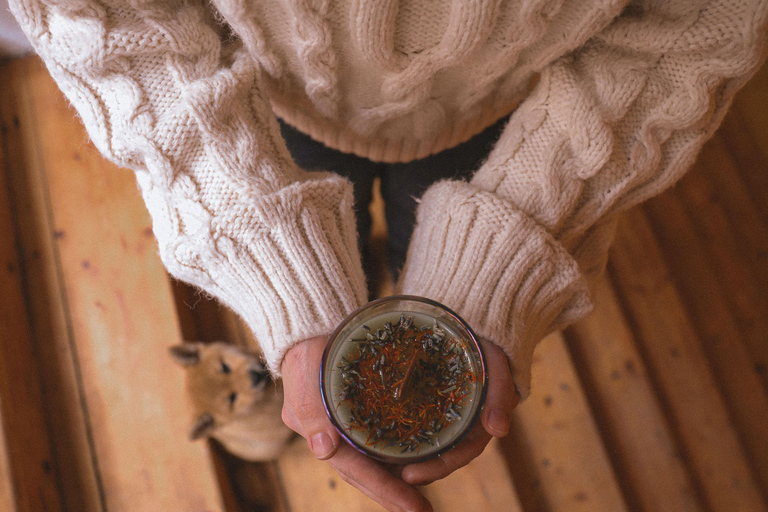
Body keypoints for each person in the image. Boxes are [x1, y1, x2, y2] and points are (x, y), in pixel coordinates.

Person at [11, 0, 767, 510]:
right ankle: (379, 272)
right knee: (363, 257)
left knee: (414, 252)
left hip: (501, 110)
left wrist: (500, 249)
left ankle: (401, 264)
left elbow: (703, 21)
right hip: (268, 95)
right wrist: (277, 257)